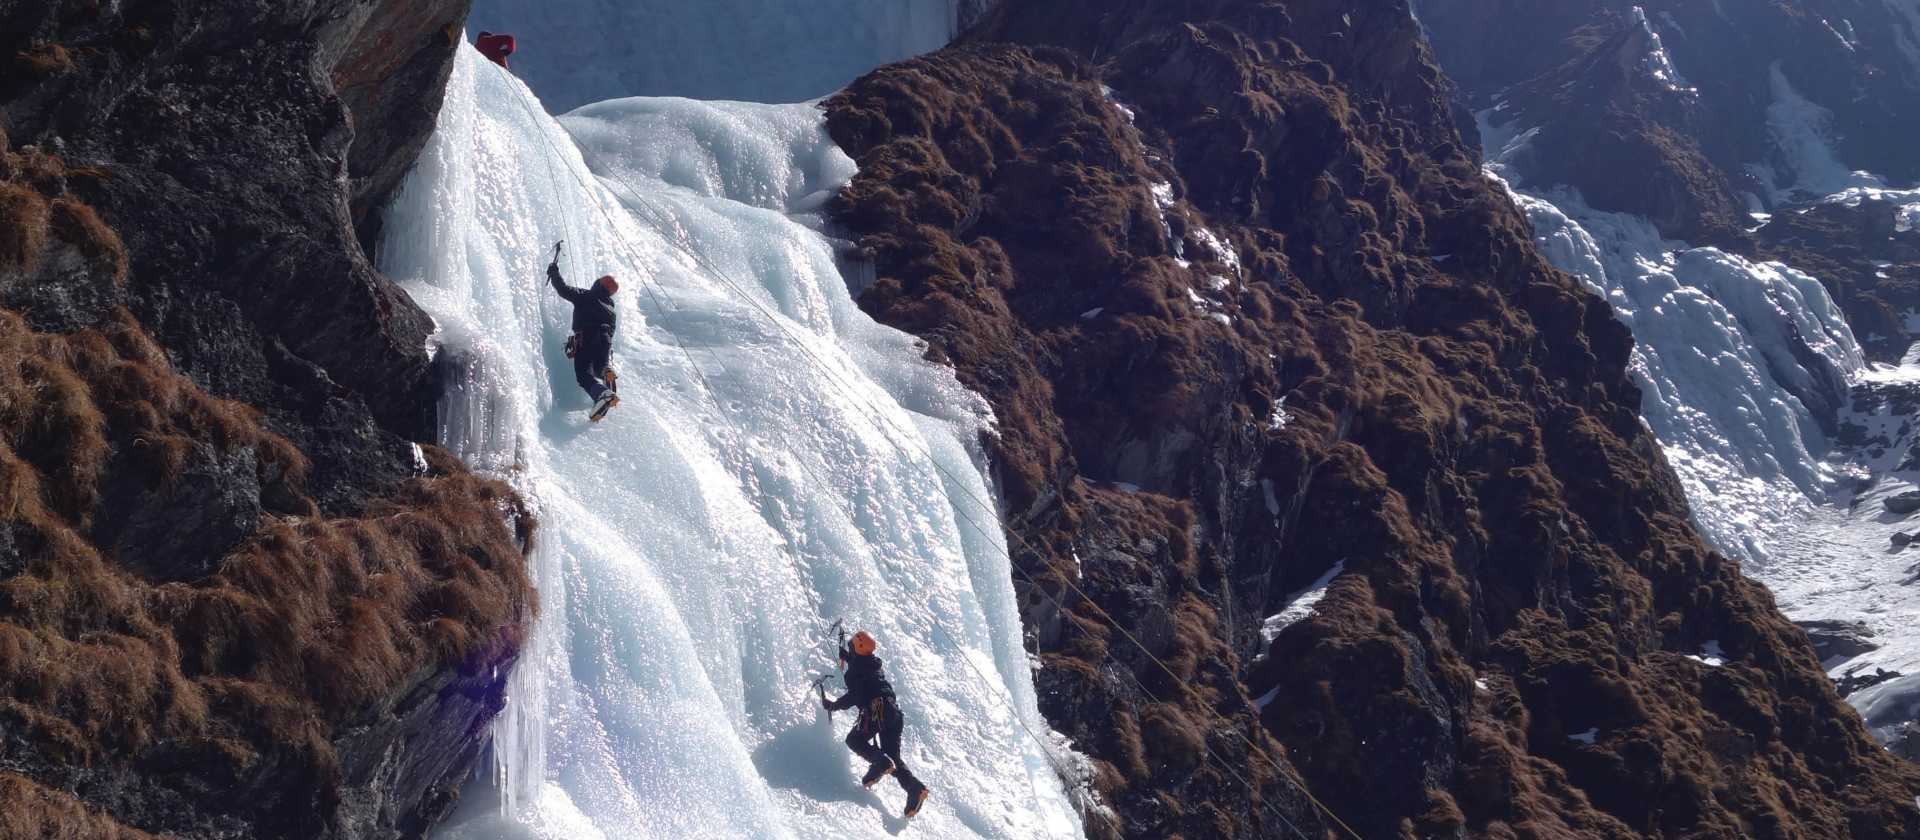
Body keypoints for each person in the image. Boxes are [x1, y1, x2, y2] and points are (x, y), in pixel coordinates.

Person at [824, 630, 931, 819]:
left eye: (851, 645)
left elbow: (856, 694)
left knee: (854, 740)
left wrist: (834, 705)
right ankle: (915, 789)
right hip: (894, 714)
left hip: (877, 711)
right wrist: (848, 657)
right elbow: (861, 665)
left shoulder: (857, 672)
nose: (849, 645)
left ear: (856, 647)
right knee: (892, 757)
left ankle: (879, 763)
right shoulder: (873, 664)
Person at [547, 253, 620, 420]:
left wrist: (553, 271)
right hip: (605, 342)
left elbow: (563, 290)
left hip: (587, 337)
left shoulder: (586, 296)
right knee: (598, 368)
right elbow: (612, 332)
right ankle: (605, 372)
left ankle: (602, 394)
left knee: (583, 374)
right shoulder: (611, 311)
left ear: (599, 284)